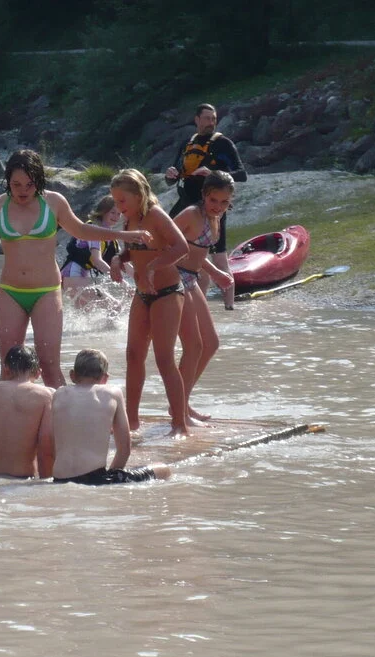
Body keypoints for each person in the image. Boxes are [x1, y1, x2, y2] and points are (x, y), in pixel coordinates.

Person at [0, 149, 151, 387]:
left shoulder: (54, 202)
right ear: (8, 182)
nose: (23, 190)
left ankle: (61, 420)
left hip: (46, 291)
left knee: (48, 366)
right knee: (9, 367)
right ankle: (10, 422)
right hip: (10, 292)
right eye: (16, 185)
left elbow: (81, 230)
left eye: (29, 184)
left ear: (39, 181)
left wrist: (121, 234)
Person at [107, 168, 191, 438]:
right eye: (115, 201)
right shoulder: (130, 219)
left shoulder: (155, 215)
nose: (119, 208)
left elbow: (182, 247)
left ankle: (179, 424)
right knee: (133, 355)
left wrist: (156, 265)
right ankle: (131, 421)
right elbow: (131, 250)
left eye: (122, 201)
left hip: (167, 292)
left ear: (139, 194)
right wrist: (119, 259)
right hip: (142, 294)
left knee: (164, 358)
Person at [164, 103, 247, 307]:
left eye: (214, 118)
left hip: (213, 207)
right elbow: (173, 177)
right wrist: (170, 175)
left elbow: (241, 174)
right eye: (207, 118)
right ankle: (189, 301)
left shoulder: (223, 144)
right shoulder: (186, 144)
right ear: (197, 120)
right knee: (169, 241)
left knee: (219, 257)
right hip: (186, 204)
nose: (211, 122)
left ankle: (229, 306)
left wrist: (212, 174)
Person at [51, 349, 172, 485]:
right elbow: (125, 448)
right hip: (95, 479)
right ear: (105, 378)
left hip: (59, 478)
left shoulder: (59, 394)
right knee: (163, 469)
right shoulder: (112, 393)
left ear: (72, 375)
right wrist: (114, 474)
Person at [173, 171, 237, 424]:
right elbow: (162, 240)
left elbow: (197, 254)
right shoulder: (191, 214)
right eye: (214, 201)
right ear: (204, 195)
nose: (218, 207)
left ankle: (183, 403)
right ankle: (179, 410)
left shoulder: (217, 218)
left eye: (224, 202)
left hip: (192, 278)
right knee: (195, 346)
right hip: (175, 278)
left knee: (210, 344)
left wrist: (217, 272)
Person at [0, 344, 55, 478]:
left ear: (6, 369)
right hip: (22, 480)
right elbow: (45, 451)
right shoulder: (45, 396)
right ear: (38, 373)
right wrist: (47, 483)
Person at [59, 194, 122, 310]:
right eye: (113, 212)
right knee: (114, 306)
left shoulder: (111, 238)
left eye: (119, 213)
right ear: (104, 211)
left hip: (78, 277)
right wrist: (120, 280)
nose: (116, 217)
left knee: (85, 316)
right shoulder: (94, 229)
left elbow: (124, 264)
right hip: (72, 275)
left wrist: (139, 281)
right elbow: (97, 260)